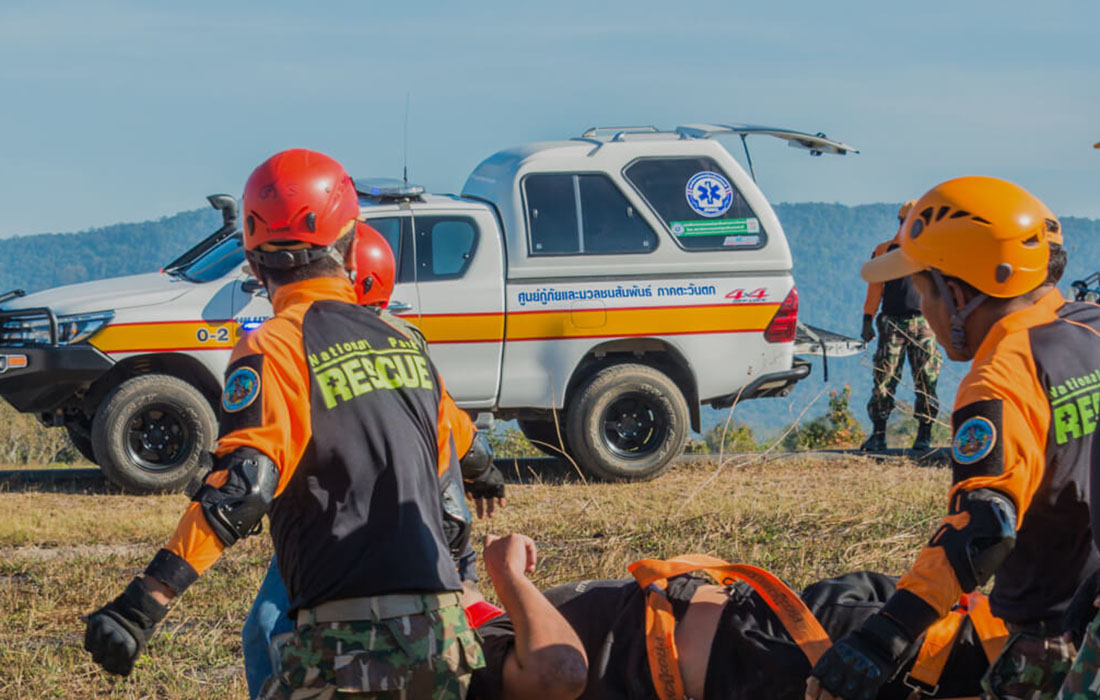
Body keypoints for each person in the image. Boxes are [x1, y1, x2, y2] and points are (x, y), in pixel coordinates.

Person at [83, 148, 484, 698]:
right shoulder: (405, 344)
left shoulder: (275, 346)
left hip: (349, 643)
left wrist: (143, 604)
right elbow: (449, 503)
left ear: (252, 262)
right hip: (444, 637)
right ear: (351, 246)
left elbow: (244, 490)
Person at [806, 176, 1100, 700]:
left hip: (1048, 639)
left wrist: (882, 638)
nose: (923, 308)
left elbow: (984, 528)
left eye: (923, 288)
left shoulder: (1002, 377)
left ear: (957, 293)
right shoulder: (1091, 326)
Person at [239, 221, 506, 697]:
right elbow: (457, 441)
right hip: (416, 563)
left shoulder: (313, 340)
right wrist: (485, 475)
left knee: (262, 627)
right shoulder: (402, 342)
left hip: (339, 540)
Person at [467, 534, 1000, 700]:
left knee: (984, 636)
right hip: (769, 655)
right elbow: (559, 672)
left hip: (773, 629)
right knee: (996, 652)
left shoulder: (484, 622)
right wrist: (508, 572)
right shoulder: (466, 662)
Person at [860, 201, 943, 451]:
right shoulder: (885, 250)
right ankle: (878, 434)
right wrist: (867, 319)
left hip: (924, 322)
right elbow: (875, 287)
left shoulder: (933, 252)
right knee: (884, 379)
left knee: (926, 379)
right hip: (891, 323)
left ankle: (924, 434)